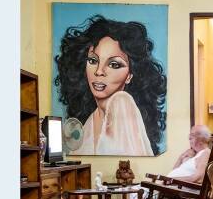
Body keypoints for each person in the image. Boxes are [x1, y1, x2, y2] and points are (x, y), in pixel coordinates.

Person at [54, 15, 167, 156]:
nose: (99, 71)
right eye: (93, 61)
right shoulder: (90, 120)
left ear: (130, 76)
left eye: (114, 64)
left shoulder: (121, 101)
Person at [124, 125, 212, 199]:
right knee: (135, 192)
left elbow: (198, 177)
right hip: (172, 188)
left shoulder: (205, 153)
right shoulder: (196, 155)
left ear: (200, 139)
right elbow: (173, 172)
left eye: (191, 136)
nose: (189, 139)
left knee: (137, 192)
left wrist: (173, 180)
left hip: (177, 192)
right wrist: (181, 157)